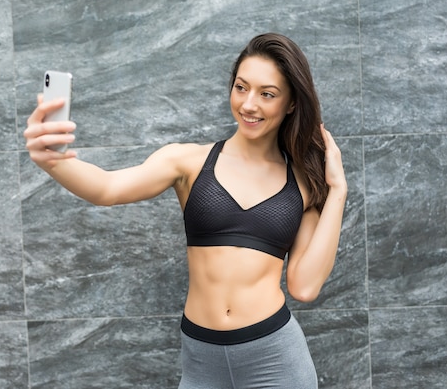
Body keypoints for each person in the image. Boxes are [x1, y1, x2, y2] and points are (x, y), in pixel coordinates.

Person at [24, 33, 347, 389]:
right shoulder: (188, 162)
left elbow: (304, 286)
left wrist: (337, 192)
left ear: (290, 104)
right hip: (201, 361)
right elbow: (107, 189)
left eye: (266, 94)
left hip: (274, 358)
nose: (249, 104)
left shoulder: (301, 183)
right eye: (241, 87)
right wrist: (52, 161)